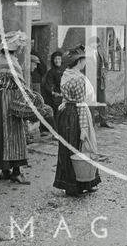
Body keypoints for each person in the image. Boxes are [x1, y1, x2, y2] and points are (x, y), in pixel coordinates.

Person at [0, 31, 53, 184]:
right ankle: (16, 172)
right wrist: (33, 100)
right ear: (15, 48)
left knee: (0, 133)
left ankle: (5, 170)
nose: (21, 49)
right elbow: (21, 86)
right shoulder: (12, 63)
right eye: (20, 46)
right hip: (9, 100)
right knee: (14, 135)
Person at [53, 45, 101, 196]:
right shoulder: (79, 78)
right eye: (84, 59)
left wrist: (64, 102)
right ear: (79, 61)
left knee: (67, 148)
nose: (86, 62)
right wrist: (85, 128)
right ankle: (80, 183)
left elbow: (66, 96)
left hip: (65, 113)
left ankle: (70, 183)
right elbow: (80, 105)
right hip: (76, 115)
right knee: (81, 146)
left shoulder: (66, 74)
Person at [87, 36, 113, 128]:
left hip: (100, 81)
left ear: (98, 44)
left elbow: (106, 64)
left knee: (102, 101)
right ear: (90, 44)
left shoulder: (100, 52)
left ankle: (103, 121)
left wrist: (104, 73)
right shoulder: (86, 54)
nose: (94, 44)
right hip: (90, 82)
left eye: (96, 43)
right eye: (92, 43)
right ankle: (91, 123)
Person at [40, 50, 64, 135]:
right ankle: (55, 133)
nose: (57, 60)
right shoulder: (51, 72)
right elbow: (48, 85)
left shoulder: (64, 70)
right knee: (56, 114)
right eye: (55, 59)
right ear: (53, 61)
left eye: (59, 59)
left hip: (64, 95)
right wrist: (53, 93)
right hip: (55, 97)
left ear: (61, 60)